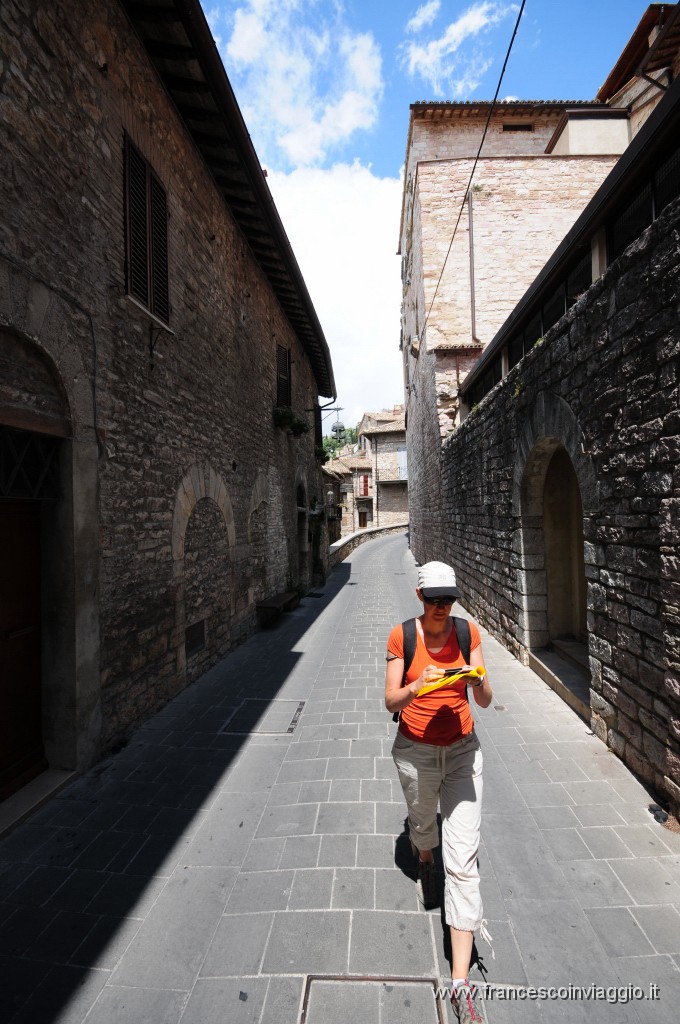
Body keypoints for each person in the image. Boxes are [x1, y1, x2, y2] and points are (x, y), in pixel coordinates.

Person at [385, 561, 493, 1024]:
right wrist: (416, 685)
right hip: (416, 752)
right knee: (423, 827)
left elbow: (486, 699)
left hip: (464, 752)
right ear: (419, 596)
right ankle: (425, 859)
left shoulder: (467, 634)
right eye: (434, 601)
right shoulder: (401, 637)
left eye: (448, 600)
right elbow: (389, 700)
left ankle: (461, 984)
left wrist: (475, 680)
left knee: (463, 862)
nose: (441, 609)